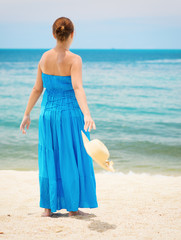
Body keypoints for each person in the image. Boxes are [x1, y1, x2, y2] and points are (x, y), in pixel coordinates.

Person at [20, 17, 98, 217]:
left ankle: (48, 207)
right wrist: (87, 114)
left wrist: (27, 113)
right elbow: (77, 87)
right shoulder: (75, 59)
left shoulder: (44, 58)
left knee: (49, 158)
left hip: (47, 115)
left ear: (54, 34)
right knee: (70, 158)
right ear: (72, 34)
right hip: (70, 115)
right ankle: (72, 208)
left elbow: (38, 88)